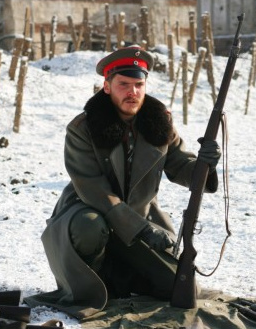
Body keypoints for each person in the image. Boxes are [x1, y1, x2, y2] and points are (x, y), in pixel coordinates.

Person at [24, 45, 221, 319]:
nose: (133, 92)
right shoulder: (83, 128)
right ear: (107, 86)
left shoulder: (159, 123)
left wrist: (205, 165)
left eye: (139, 84)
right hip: (87, 214)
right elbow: (94, 190)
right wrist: (141, 230)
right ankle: (95, 283)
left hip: (141, 221)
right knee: (90, 226)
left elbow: (180, 167)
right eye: (124, 84)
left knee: (177, 288)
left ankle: (125, 279)